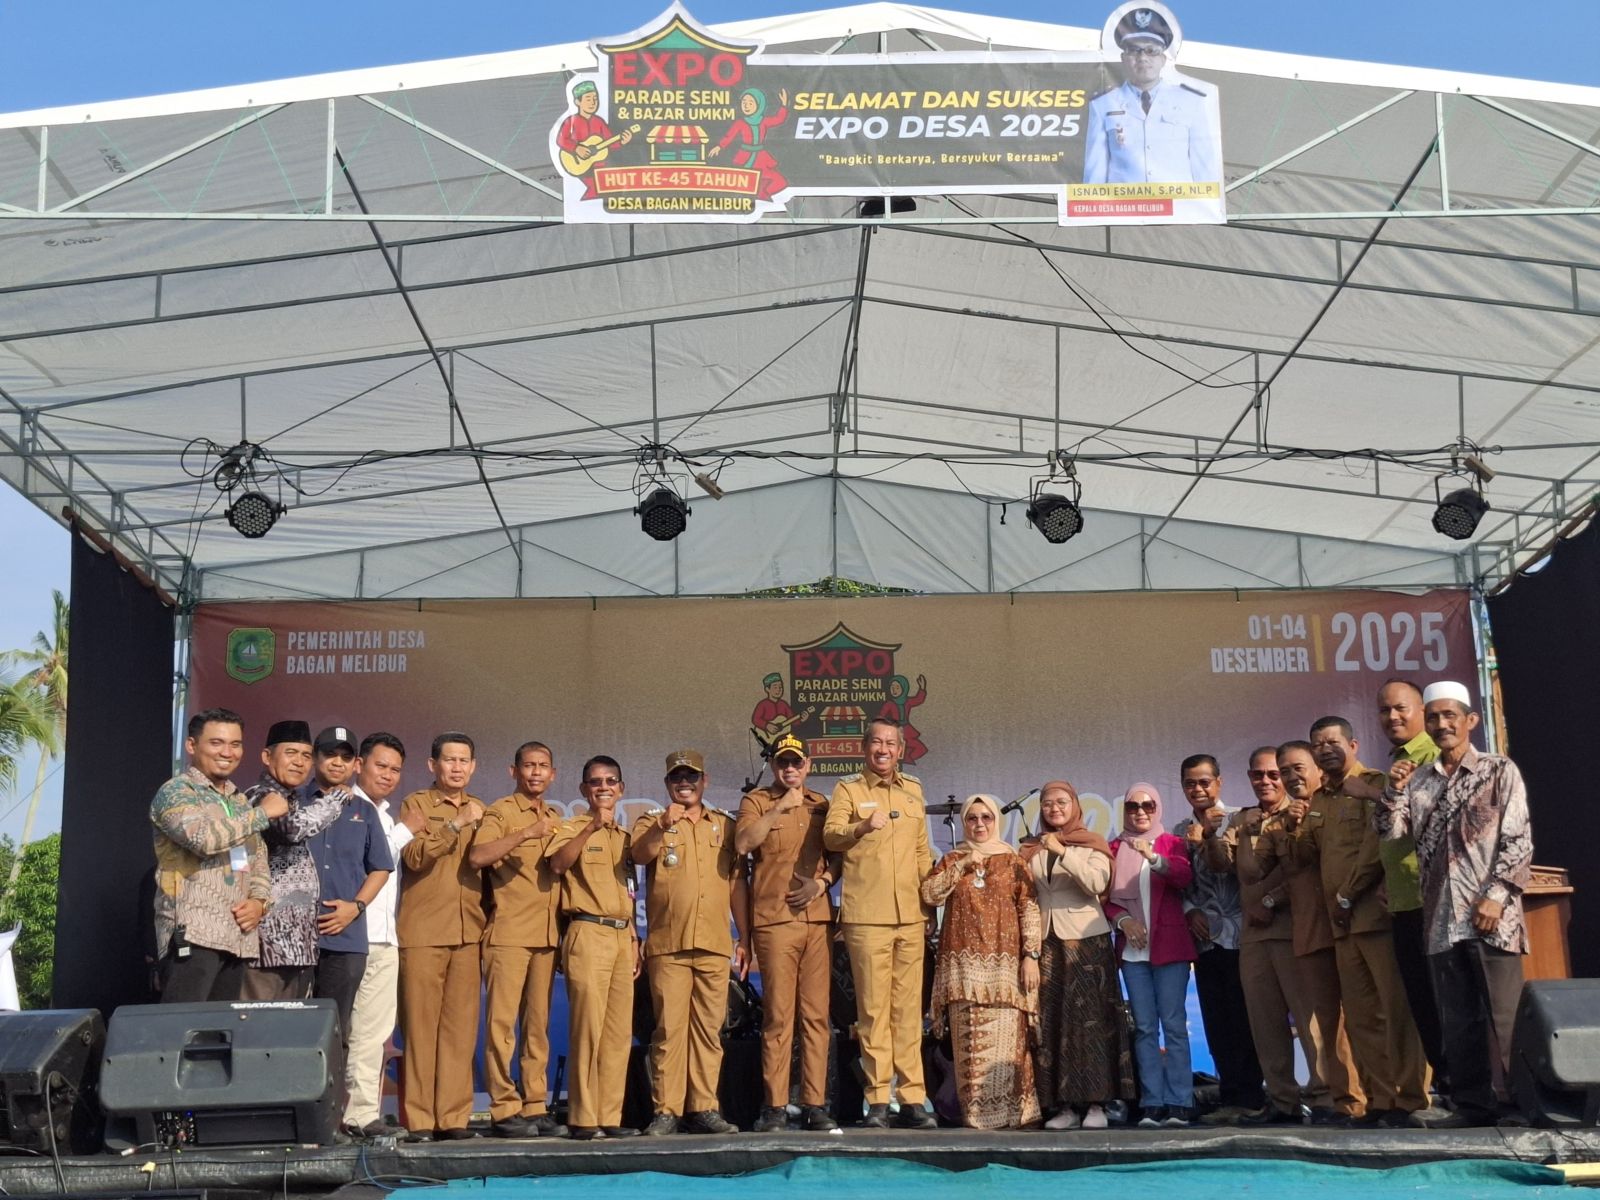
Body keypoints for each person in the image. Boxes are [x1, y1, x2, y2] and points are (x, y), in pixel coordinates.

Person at [1377, 681, 1533, 1129]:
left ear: (1471, 720)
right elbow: (1390, 834)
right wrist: (1393, 791)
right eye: (1434, 717)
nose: (1442, 724)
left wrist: (1496, 896)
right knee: (1458, 1021)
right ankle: (1472, 1107)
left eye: (1450, 716)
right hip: (1441, 920)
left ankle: (1523, 1107)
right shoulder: (1419, 779)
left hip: (1491, 918)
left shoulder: (1498, 770)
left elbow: (1518, 840)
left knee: (1505, 1017)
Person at [1293, 717, 1428, 1126]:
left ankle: (1412, 1099)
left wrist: (1349, 894)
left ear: (1352, 745)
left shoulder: (1376, 784)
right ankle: (1380, 1100)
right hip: (1342, 926)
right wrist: (1298, 820)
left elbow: (1377, 848)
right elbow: (1307, 855)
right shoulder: (1320, 797)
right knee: (1361, 1016)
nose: (1325, 749)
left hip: (1374, 916)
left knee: (1396, 1011)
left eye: (1333, 742)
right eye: (1318, 745)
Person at [1206, 748, 1335, 1125]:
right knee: (1264, 1024)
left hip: (1294, 930)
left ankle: (1325, 1098)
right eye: (1257, 775)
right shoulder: (1243, 818)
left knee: (1309, 1021)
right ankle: (1282, 1101)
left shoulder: (1301, 812)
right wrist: (1211, 837)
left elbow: (1306, 870)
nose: (1265, 781)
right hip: (1254, 936)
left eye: (1273, 774)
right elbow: (1222, 865)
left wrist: (1270, 899)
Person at [822, 717, 936, 1129]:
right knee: (873, 1012)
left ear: (900, 751)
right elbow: (831, 837)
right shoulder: (849, 789)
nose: (883, 749)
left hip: (910, 916)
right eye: (876, 742)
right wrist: (861, 826)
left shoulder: (913, 791)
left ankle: (913, 1098)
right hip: (867, 916)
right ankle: (877, 1100)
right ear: (864, 747)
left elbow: (922, 852)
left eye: (891, 743)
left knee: (909, 1011)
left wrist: (929, 906)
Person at [631, 750, 748, 1136]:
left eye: (692, 776)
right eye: (677, 777)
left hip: (714, 943)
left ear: (705, 781)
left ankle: (704, 1107)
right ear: (667, 783)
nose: (685, 783)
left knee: (709, 1032)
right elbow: (639, 854)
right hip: (668, 945)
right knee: (668, 1031)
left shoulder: (725, 826)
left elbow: (736, 884)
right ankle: (666, 1110)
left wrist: (745, 937)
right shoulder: (651, 821)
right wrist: (663, 825)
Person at [734, 733, 842, 1134]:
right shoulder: (757, 801)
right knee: (779, 1017)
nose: (791, 768)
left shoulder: (822, 804)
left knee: (816, 1017)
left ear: (808, 765)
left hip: (816, 920)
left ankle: (815, 1104)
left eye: (797, 762)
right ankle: (775, 1105)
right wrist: (780, 805)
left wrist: (823, 882)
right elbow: (743, 843)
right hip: (775, 921)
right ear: (775, 766)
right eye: (784, 762)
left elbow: (839, 857)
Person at [1256, 741, 1365, 1125]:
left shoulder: (1342, 803)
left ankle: (1371, 1098)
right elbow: (1264, 870)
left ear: (1319, 768)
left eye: (1297, 768)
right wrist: (1289, 827)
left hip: (1351, 923)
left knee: (1362, 1017)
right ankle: (1340, 1099)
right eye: (1284, 771)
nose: (1290, 777)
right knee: (1326, 1022)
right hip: (1309, 928)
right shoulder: (1285, 820)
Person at [920, 794, 1042, 1130]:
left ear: (996, 821)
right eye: (972, 818)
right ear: (963, 822)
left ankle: (1013, 1119)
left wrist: (1031, 956)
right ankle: (976, 1121)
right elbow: (930, 894)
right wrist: (961, 864)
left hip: (1005, 973)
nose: (979, 824)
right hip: (962, 974)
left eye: (986, 817)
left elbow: (1029, 909)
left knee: (1008, 1050)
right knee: (970, 1050)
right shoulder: (951, 859)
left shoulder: (1013, 861)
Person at [150, 708, 285, 1002]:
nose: (227, 752)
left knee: (220, 1030)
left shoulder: (239, 801)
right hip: (192, 934)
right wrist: (262, 813)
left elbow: (258, 860)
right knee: (182, 1028)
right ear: (191, 745)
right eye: (216, 743)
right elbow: (202, 839)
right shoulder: (176, 791)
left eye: (235, 744)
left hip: (237, 939)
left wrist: (259, 903)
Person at [468, 742, 567, 1138]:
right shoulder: (501, 812)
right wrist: (526, 833)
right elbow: (478, 856)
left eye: (543, 766)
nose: (536, 772)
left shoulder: (557, 817)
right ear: (514, 771)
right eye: (529, 765)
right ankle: (503, 1107)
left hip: (546, 935)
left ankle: (535, 1104)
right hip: (508, 933)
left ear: (553, 774)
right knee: (502, 1026)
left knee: (537, 1027)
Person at [1021, 780, 1132, 1131]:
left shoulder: (1090, 843)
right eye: (1047, 803)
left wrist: (1063, 851)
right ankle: (1064, 1106)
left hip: (1086, 942)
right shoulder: (1032, 847)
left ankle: (1097, 1103)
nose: (1054, 809)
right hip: (1047, 942)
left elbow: (1097, 884)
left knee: (1090, 1023)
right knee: (1053, 1023)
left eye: (1061, 802)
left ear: (1075, 806)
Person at [397, 732, 489, 1140]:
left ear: (473, 767)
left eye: (463, 760)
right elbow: (414, 857)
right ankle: (419, 1120)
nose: (456, 767)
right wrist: (455, 824)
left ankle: (453, 1119)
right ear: (432, 765)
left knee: (460, 1032)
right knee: (420, 1030)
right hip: (423, 932)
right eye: (449, 760)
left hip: (468, 932)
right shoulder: (416, 804)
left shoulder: (483, 809)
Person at [546, 755, 642, 1141]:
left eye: (610, 781)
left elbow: (628, 893)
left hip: (621, 935)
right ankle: (584, 1118)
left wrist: (633, 939)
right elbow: (557, 864)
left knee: (618, 1032)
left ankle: (610, 1115)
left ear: (621, 789)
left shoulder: (626, 838)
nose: (604, 787)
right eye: (596, 782)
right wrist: (590, 828)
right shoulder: (571, 827)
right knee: (588, 1028)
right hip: (587, 931)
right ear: (584, 789)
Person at [1176, 754, 1264, 1121]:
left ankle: (1253, 1098)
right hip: (1204, 939)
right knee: (1216, 1020)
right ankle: (1230, 1095)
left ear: (1219, 782)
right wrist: (1189, 910)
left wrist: (1209, 838)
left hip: (1241, 935)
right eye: (1190, 783)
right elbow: (1179, 884)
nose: (1197, 789)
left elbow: (1237, 871)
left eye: (1204, 782)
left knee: (1245, 1017)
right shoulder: (1179, 829)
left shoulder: (1239, 819)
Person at [1374, 679, 1449, 1097]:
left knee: (1443, 1000)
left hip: (1434, 900)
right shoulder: (1398, 762)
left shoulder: (1433, 755)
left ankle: (1463, 1088)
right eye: (1385, 710)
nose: (1392, 717)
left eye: (1401, 708)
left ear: (1422, 711)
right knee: (1421, 999)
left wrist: (1374, 791)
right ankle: (1445, 1086)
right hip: (1402, 899)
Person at [343, 732, 420, 1141]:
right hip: (349, 937)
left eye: (395, 769)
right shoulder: (344, 807)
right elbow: (365, 862)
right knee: (342, 1031)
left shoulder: (386, 815)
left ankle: (362, 1114)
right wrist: (406, 832)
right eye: (380, 766)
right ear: (359, 765)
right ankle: (332, 1113)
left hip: (386, 937)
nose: (388, 775)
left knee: (374, 1035)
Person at [1104, 782, 1195, 1128]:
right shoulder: (1114, 848)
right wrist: (1123, 921)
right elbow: (1104, 897)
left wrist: (1154, 858)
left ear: (1157, 808)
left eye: (1147, 806)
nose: (1140, 812)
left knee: (1174, 1026)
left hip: (1169, 947)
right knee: (1144, 1028)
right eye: (1133, 806)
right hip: (1133, 953)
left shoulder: (1171, 843)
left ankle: (1179, 1101)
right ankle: (1152, 1102)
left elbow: (1183, 876)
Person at [307, 726, 394, 1080]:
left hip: (346, 938)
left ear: (355, 764)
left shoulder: (364, 811)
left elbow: (381, 868)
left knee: (336, 1029)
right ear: (315, 758)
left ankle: (328, 1108)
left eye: (345, 757)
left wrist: (356, 907)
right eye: (330, 754)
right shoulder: (293, 802)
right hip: (295, 938)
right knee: (291, 1026)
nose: (337, 762)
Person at [243, 720, 345, 1001]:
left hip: (298, 947)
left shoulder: (294, 800)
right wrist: (335, 800)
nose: (299, 762)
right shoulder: (258, 796)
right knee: (259, 1025)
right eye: (291, 753)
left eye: (306, 756)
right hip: (265, 946)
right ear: (267, 757)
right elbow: (291, 830)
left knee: (293, 1028)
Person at [1083, 8, 1219, 186]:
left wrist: (1209, 202)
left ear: (1163, 59)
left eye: (1151, 50)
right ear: (1123, 58)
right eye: (1134, 50)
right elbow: (1095, 174)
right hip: (1123, 203)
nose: (1142, 58)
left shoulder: (1191, 102)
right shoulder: (1103, 104)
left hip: (1176, 202)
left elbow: (1205, 171)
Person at [708, 88, 790, 200]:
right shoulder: (740, 123)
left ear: (759, 105)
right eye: (744, 102)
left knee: (779, 181)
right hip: (745, 158)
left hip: (760, 158)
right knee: (748, 182)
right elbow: (729, 136)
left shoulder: (763, 121)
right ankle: (757, 198)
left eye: (750, 103)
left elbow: (778, 119)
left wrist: (784, 106)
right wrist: (719, 146)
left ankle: (763, 196)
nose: (746, 106)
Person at [556, 80, 633, 171]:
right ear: (577, 102)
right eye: (588, 99)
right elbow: (561, 140)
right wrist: (576, 148)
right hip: (579, 167)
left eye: (595, 99)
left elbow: (609, 142)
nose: (593, 102)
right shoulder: (570, 121)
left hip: (600, 167)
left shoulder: (599, 122)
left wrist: (621, 142)